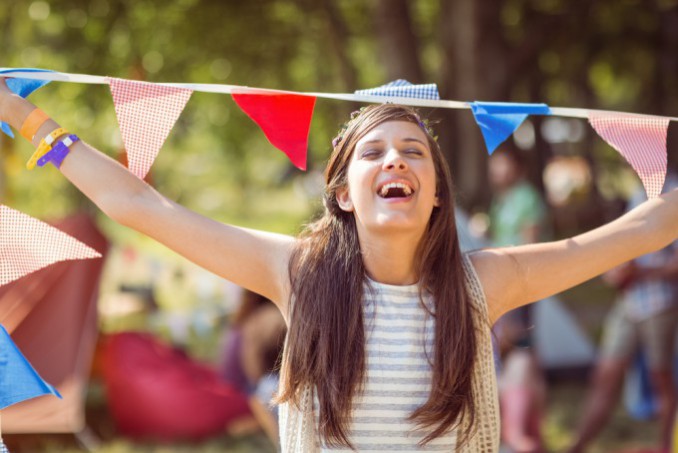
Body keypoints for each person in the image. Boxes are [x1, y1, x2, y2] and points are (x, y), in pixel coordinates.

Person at [2, 79, 678, 452]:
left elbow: (643, 227)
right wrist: (26, 119)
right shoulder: (297, 271)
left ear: (436, 191)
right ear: (342, 193)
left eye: (414, 151)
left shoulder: (484, 281)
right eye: (374, 152)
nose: (396, 161)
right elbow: (138, 204)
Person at [567, 178, 678, 453]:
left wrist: (640, 273)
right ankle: (577, 447)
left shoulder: (674, 192)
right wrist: (614, 271)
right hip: (629, 303)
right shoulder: (637, 193)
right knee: (605, 374)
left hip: (660, 304)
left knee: (661, 380)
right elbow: (624, 249)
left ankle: (666, 446)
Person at [488, 148, 548, 453]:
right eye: (493, 167)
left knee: (519, 350)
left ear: (517, 166)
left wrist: (516, 292)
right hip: (503, 287)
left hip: (520, 288)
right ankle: (532, 432)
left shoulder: (527, 198)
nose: (496, 172)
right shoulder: (502, 200)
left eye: (502, 165)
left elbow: (530, 245)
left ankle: (520, 434)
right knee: (522, 356)